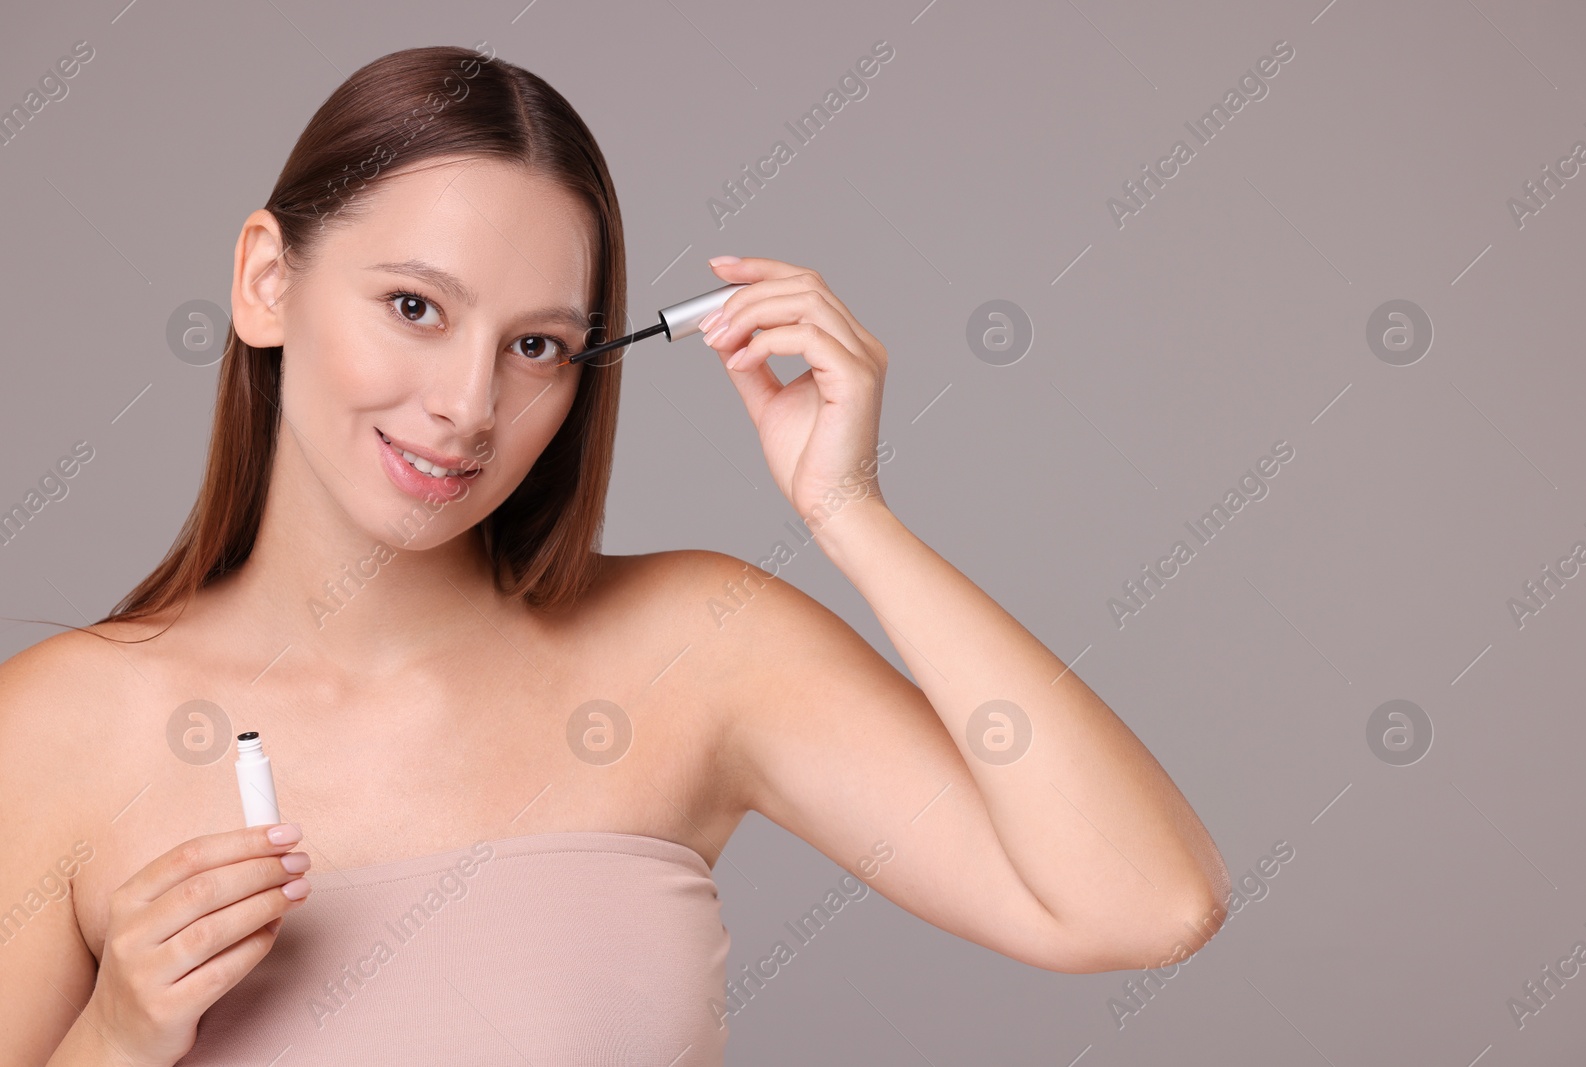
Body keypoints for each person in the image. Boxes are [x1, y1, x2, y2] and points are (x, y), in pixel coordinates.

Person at [1, 43, 1230, 1067]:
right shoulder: (61, 728)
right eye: (416, 307)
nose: (468, 405)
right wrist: (113, 1036)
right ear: (268, 281)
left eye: (537, 345)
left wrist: (848, 508)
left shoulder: (696, 648)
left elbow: (1147, 901)